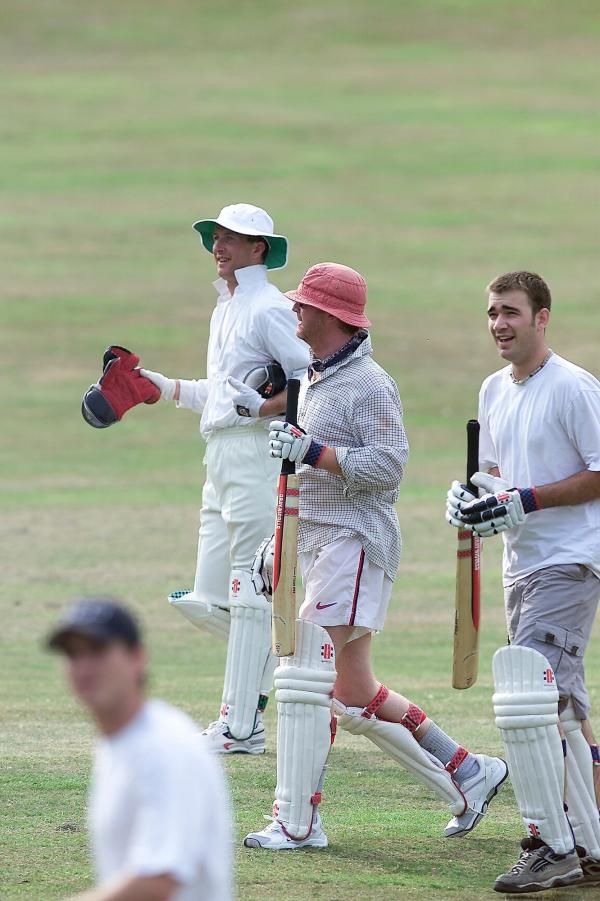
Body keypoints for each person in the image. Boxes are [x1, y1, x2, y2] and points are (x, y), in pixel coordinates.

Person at [244, 262, 507, 851]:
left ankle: (298, 820)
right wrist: (279, 541)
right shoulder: (313, 376)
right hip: (315, 542)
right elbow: (309, 473)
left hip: (355, 542)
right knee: (353, 688)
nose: (294, 311)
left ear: (330, 316)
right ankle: (468, 769)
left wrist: (314, 451)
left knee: (309, 678)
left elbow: (387, 469)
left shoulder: (371, 384)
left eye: (303, 305)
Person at [446, 270, 600, 893]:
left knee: (529, 704)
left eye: (510, 312)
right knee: (561, 710)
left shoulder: (574, 387)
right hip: (521, 564)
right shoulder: (492, 389)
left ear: (542, 318)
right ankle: (590, 844)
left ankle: (551, 843)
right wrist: (474, 497)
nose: (498, 324)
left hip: (570, 561)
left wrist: (525, 500)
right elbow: (495, 470)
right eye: (491, 313)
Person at [141, 204, 309, 754]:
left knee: (248, 591)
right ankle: (299, 655)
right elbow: (221, 397)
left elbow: (312, 380)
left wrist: (262, 413)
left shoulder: (269, 307)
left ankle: (242, 726)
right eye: (216, 235)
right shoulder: (227, 307)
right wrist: (161, 387)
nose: (220, 244)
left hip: (258, 456)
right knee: (206, 599)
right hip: (219, 456)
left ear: (260, 249)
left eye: (233, 238)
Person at [47, 597, 232, 901]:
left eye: (98, 650)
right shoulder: (121, 742)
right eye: (73, 654)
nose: (83, 667)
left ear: (137, 658)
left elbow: (158, 880)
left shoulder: (164, 746)